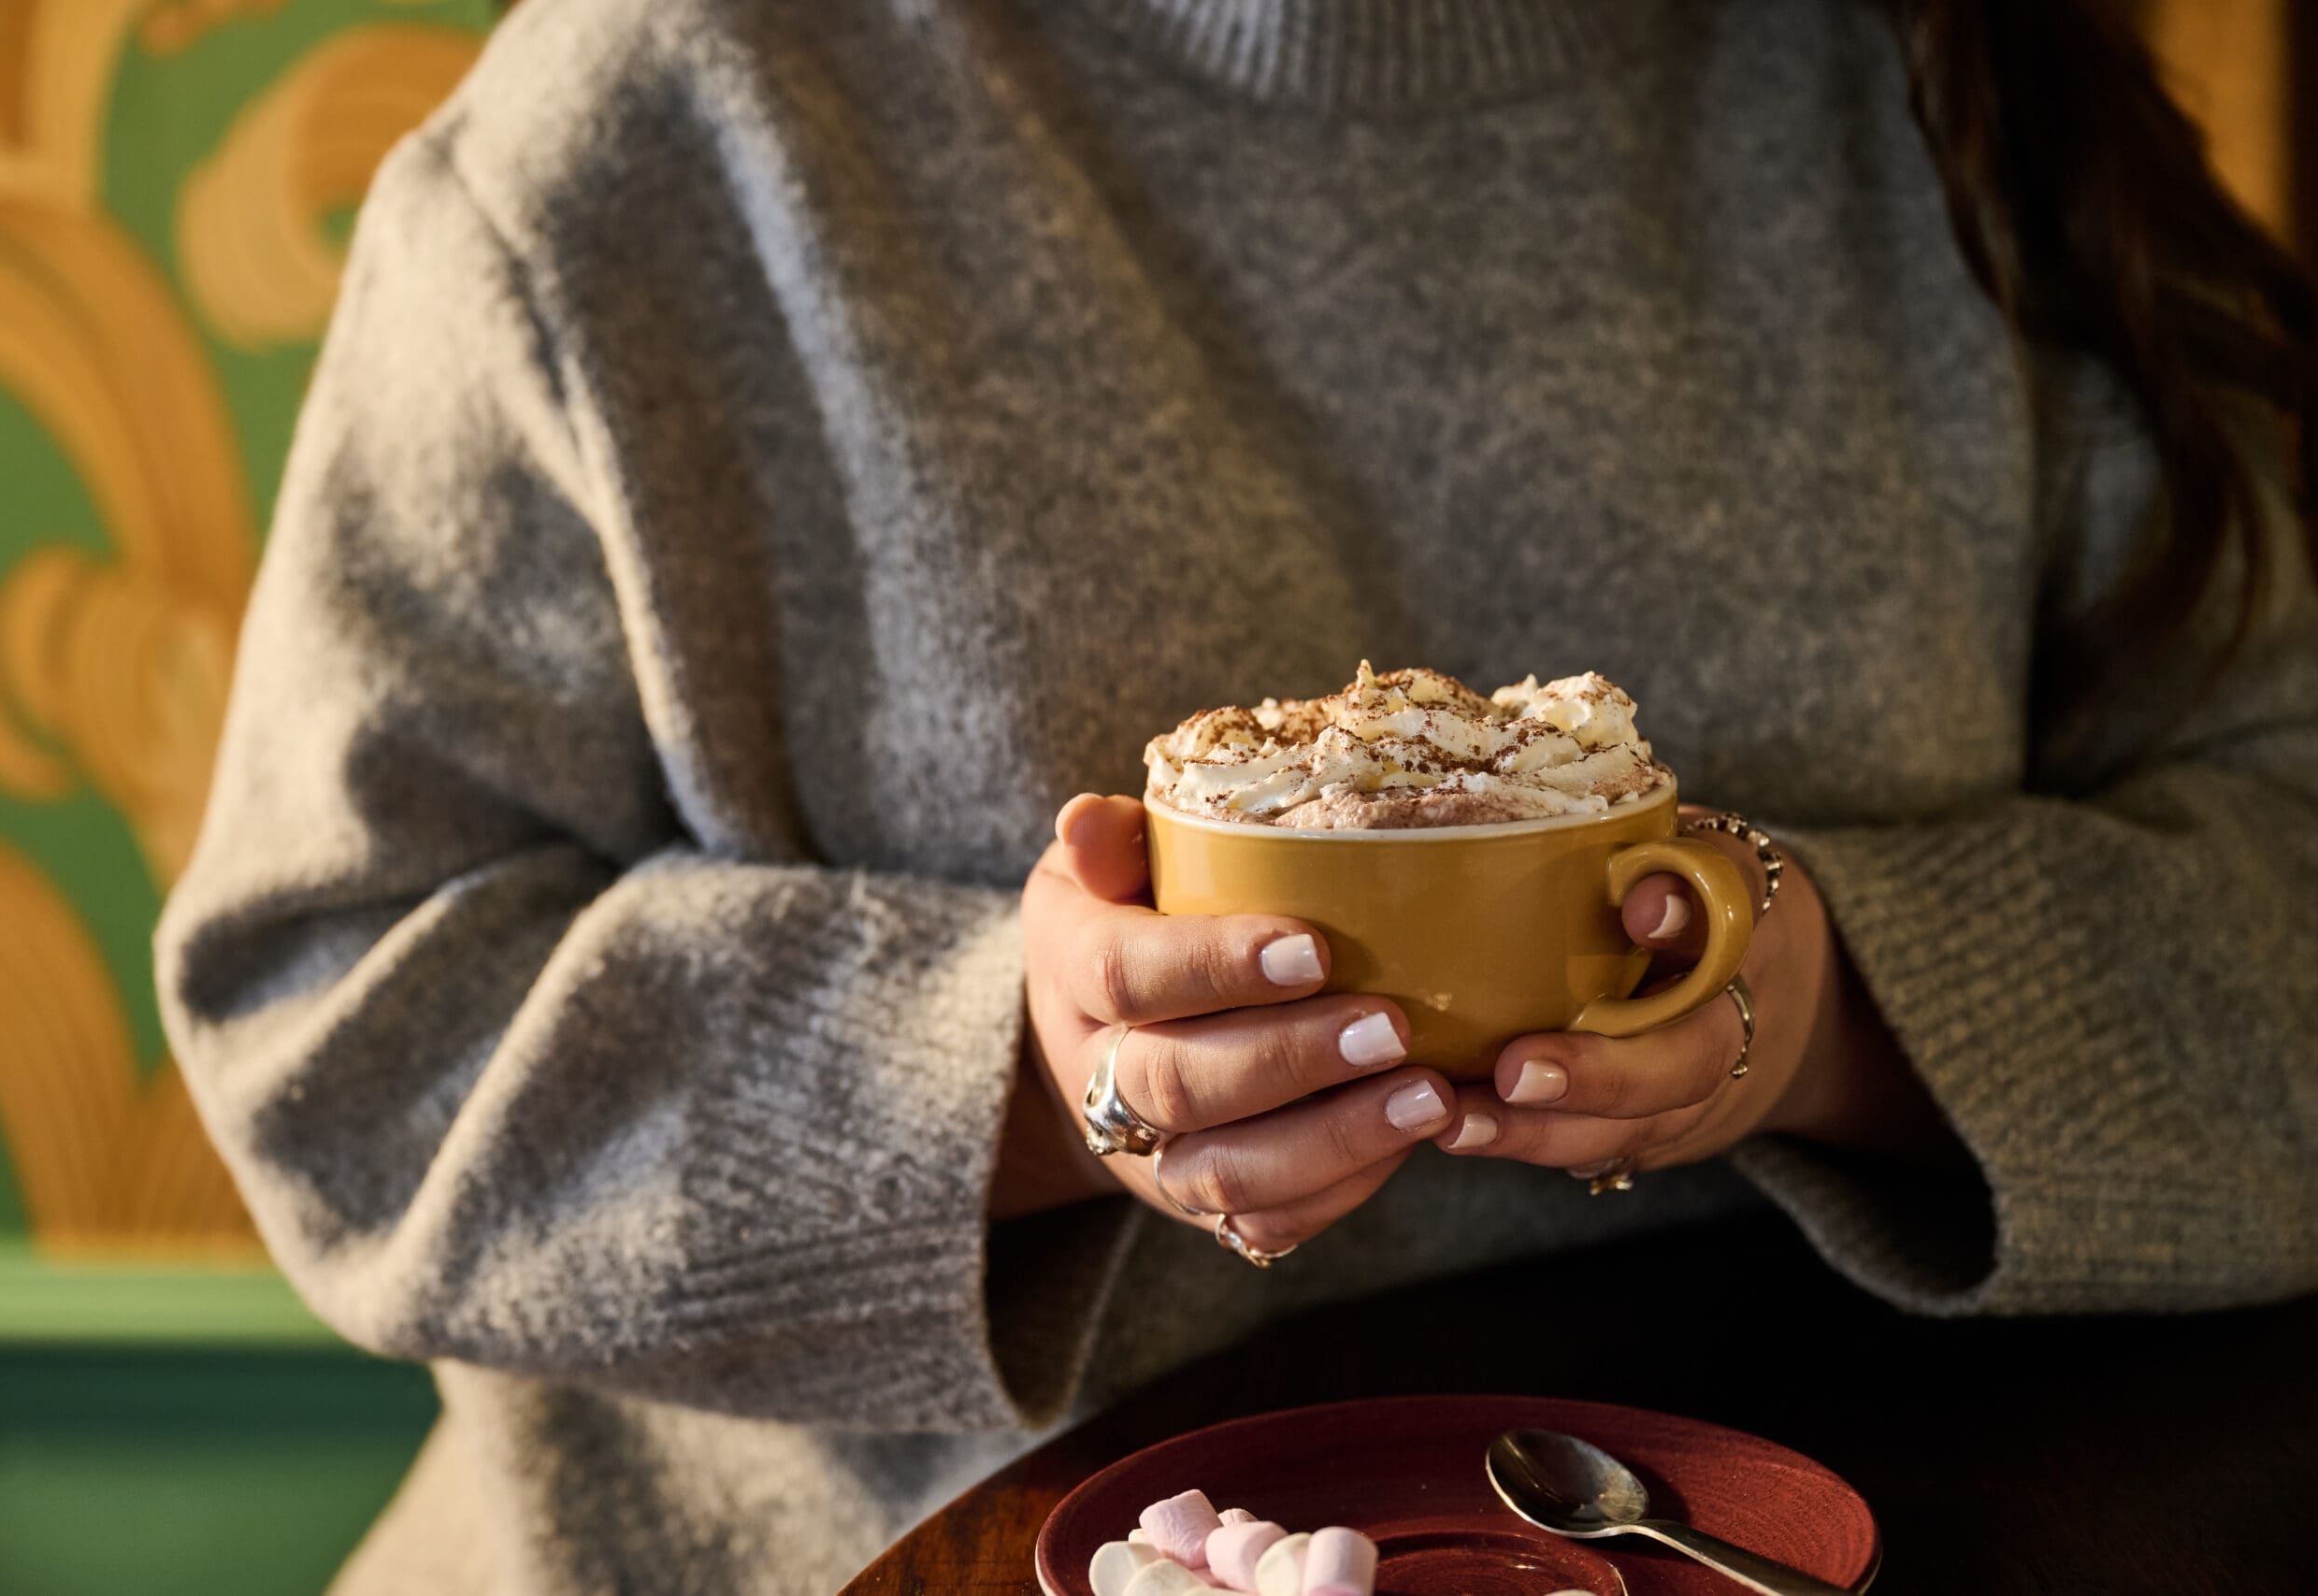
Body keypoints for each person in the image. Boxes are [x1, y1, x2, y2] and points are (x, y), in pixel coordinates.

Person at [153, 0, 2317, 1591]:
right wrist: (1009, 1072)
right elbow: (340, 1018)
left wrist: (1832, 1017)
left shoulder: (1944, 92)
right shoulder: (649, 127)